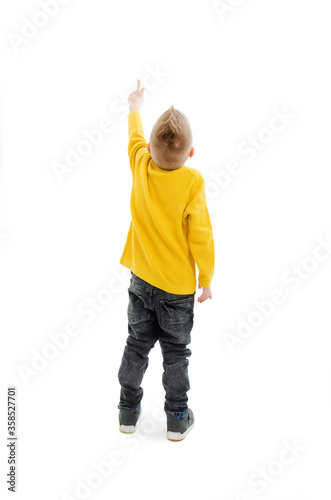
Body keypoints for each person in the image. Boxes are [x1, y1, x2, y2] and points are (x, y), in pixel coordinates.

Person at [117, 80, 215, 441]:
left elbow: (135, 139)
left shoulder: (141, 165)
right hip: (177, 289)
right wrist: (206, 277)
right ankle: (177, 417)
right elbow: (201, 235)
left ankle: (127, 409)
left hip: (140, 280)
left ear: (150, 150)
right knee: (176, 353)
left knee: (136, 345)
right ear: (191, 153)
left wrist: (135, 107)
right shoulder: (192, 181)